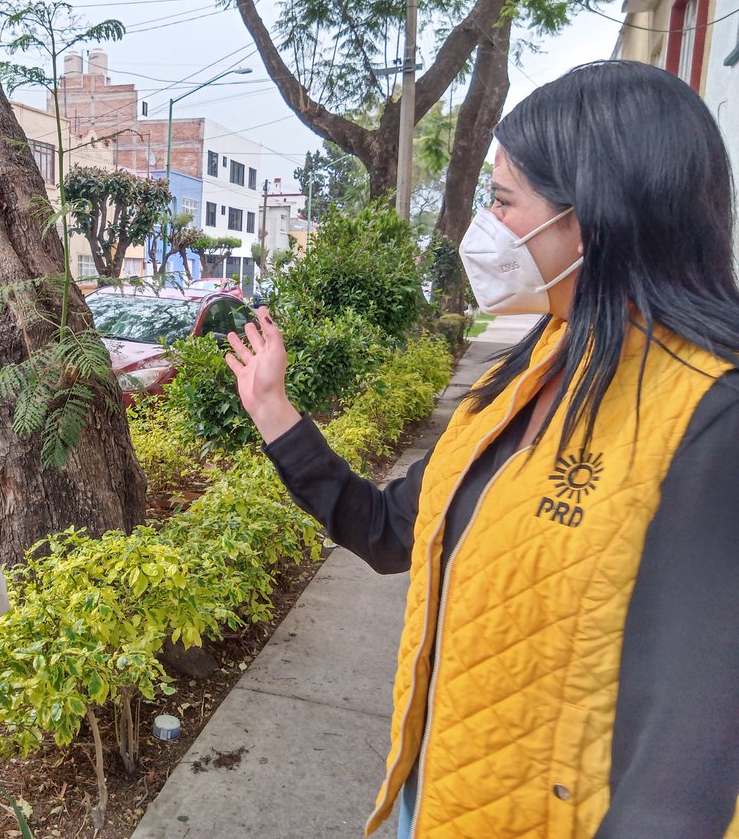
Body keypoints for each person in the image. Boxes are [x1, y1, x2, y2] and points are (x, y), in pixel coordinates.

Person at [225, 61, 739, 837]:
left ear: (590, 218)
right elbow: (388, 529)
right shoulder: (533, 367)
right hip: (434, 802)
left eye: (503, 201)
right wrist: (274, 411)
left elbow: (682, 784)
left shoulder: (710, 421)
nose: (485, 227)